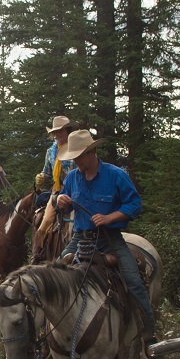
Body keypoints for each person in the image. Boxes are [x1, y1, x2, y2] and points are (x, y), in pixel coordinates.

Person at [55, 129, 156, 342]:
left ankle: (149, 335)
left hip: (109, 239)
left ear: (91, 153)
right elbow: (63, 199)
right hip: (80, 239)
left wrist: (109, 218)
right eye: (72, 158)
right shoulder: (73, 177)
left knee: (134, 281)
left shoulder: (116, 175)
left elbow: (135, 204)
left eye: (78, 157)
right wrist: (60, 201)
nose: (75, 162)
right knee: (55, 276)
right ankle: (54, 340)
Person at [35, 115, 76, 240]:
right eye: (56, 132)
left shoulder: (76, 148)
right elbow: (47, 172)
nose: (58, 134)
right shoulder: (50, 152)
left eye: (61, 130)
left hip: (77, 189)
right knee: (43, 225)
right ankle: (37, 256)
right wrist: (41, 177)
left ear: (68, 131)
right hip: (57, 192)